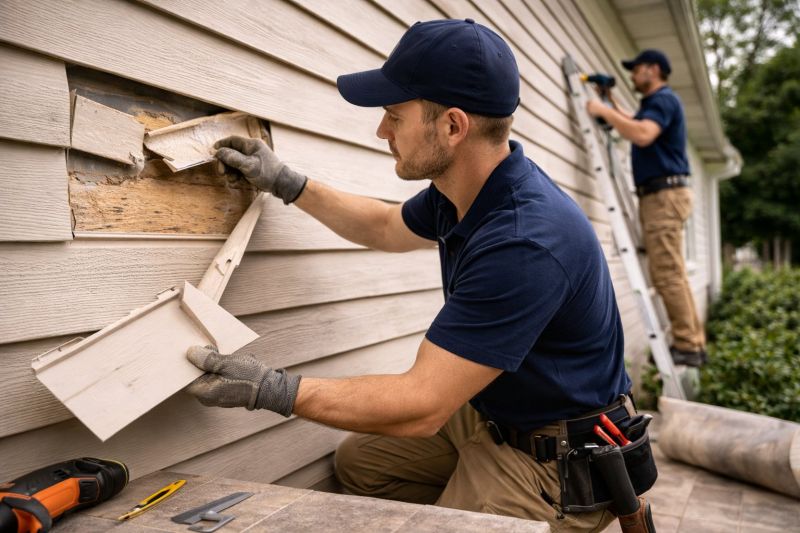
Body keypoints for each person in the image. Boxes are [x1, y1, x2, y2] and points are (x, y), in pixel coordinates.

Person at [186, 19, 635, 531]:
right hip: (495, 412)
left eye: (395, 116)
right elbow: (384, 225)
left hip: (554, 459)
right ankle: (468, 491)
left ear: (453, 127)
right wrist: (289, 184)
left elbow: (422, 405)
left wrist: (269, 389)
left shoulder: (524, 242)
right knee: (362, 465)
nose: (382, 131)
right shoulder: (463, 191)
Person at [586, 49, 706, 367]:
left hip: (663, 196)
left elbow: (641, 133)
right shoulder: (657, 104)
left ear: (653, 69)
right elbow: (636, 121)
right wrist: (610, 101)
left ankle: (687, 345)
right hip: (666, 194)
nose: (632, 75)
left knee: (667, 274)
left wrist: (601, 109)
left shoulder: (662, 100)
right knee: (673, 272)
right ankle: (693, 342)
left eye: (636, 69)